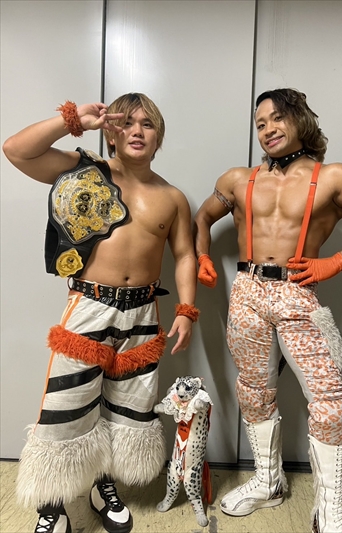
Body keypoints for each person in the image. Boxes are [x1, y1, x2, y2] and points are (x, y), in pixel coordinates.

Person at [193, 88, 342, 533]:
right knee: (253, 392)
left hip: (296, 292)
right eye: (260, 123)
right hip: (246, 293)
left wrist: (336, 261)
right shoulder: (237, 179)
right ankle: (268, 483)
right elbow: (202, 218)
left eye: (276, 118)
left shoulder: (335, 176)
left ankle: (329, 511)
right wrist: (203, 256)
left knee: (331, 403)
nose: (267, 129)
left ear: (299, 119)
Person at [3, 93, 199, 533]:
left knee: (126, 409)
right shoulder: (84, 170)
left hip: (143, 313)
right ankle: (51, 504)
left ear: (159, 136)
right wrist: (73, 120)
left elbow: (185, 254)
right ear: (111, 133)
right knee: (66, 405)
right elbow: (16, 150)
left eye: (147, 124)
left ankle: (102, 484)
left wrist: (186, 309)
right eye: (126, 123)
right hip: (89, 306)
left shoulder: (172, 197)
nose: (137, 131)